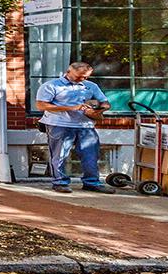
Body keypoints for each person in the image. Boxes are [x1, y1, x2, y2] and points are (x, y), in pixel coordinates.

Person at [35, 60, 112, 193]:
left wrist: (98, 108)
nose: (83, 79)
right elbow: (41, 105)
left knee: (91, 155)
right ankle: (60, 183)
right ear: (69, 71)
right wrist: (71, 108)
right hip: (59, 124)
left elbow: (105, 102)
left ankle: (91, 182)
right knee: (60, 155)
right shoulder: (51, 86)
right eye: (80, 76)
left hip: (86, 125)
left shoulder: (91, 86)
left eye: (86, 76)